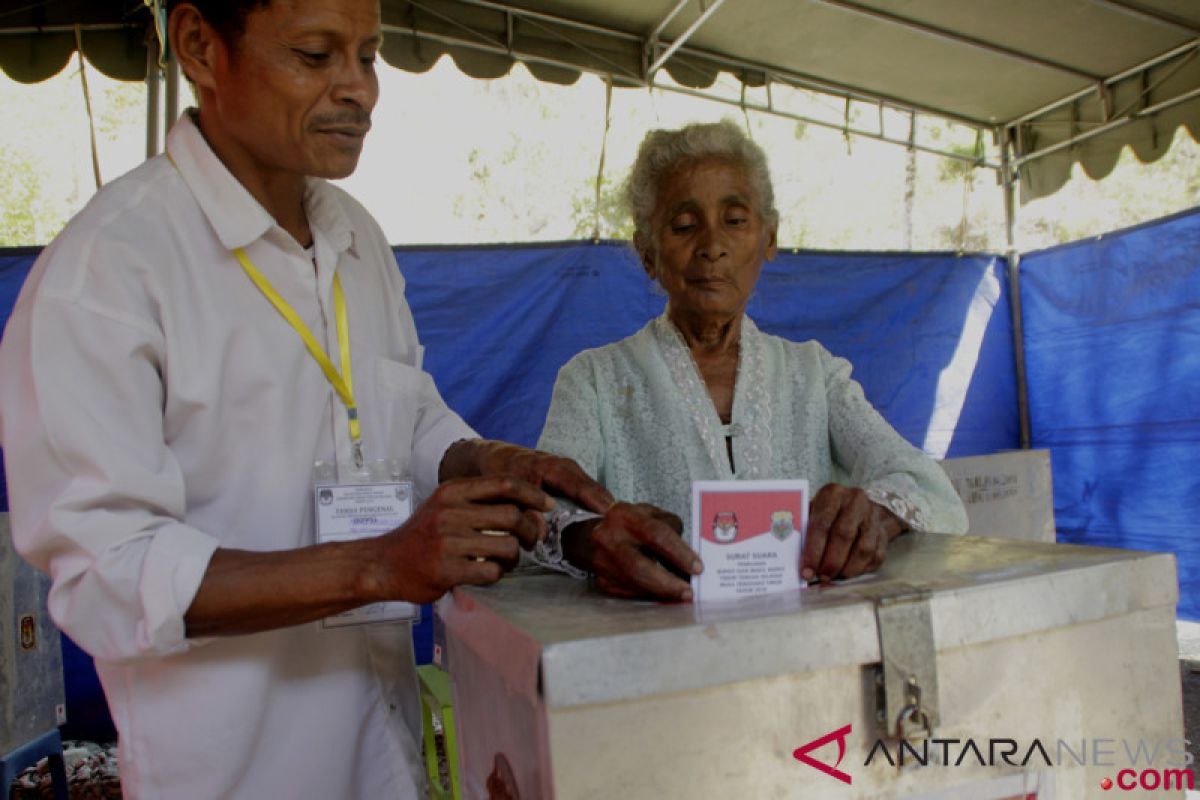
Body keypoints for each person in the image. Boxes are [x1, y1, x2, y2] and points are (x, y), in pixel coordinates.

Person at [0, 0, 615, 797]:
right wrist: (377, 565)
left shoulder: (355, 237)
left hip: (386, 754)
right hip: (238, 775)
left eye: (369, 55)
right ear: (198, 46)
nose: (357, 89)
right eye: (316, 55)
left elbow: (408, 412)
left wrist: (489, 460)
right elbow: (108, 576)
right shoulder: (109, 272)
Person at [537, 120, 968, 601]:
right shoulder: (593, 379)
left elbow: (922, 483)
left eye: (735, 220)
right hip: (653, 658)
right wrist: (592, 540)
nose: (712, 245)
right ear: (648, 254)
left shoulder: (814, 374)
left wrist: (872, 517)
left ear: (769, 239)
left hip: (804, 648)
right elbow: (543, 512)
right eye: (683, 225)